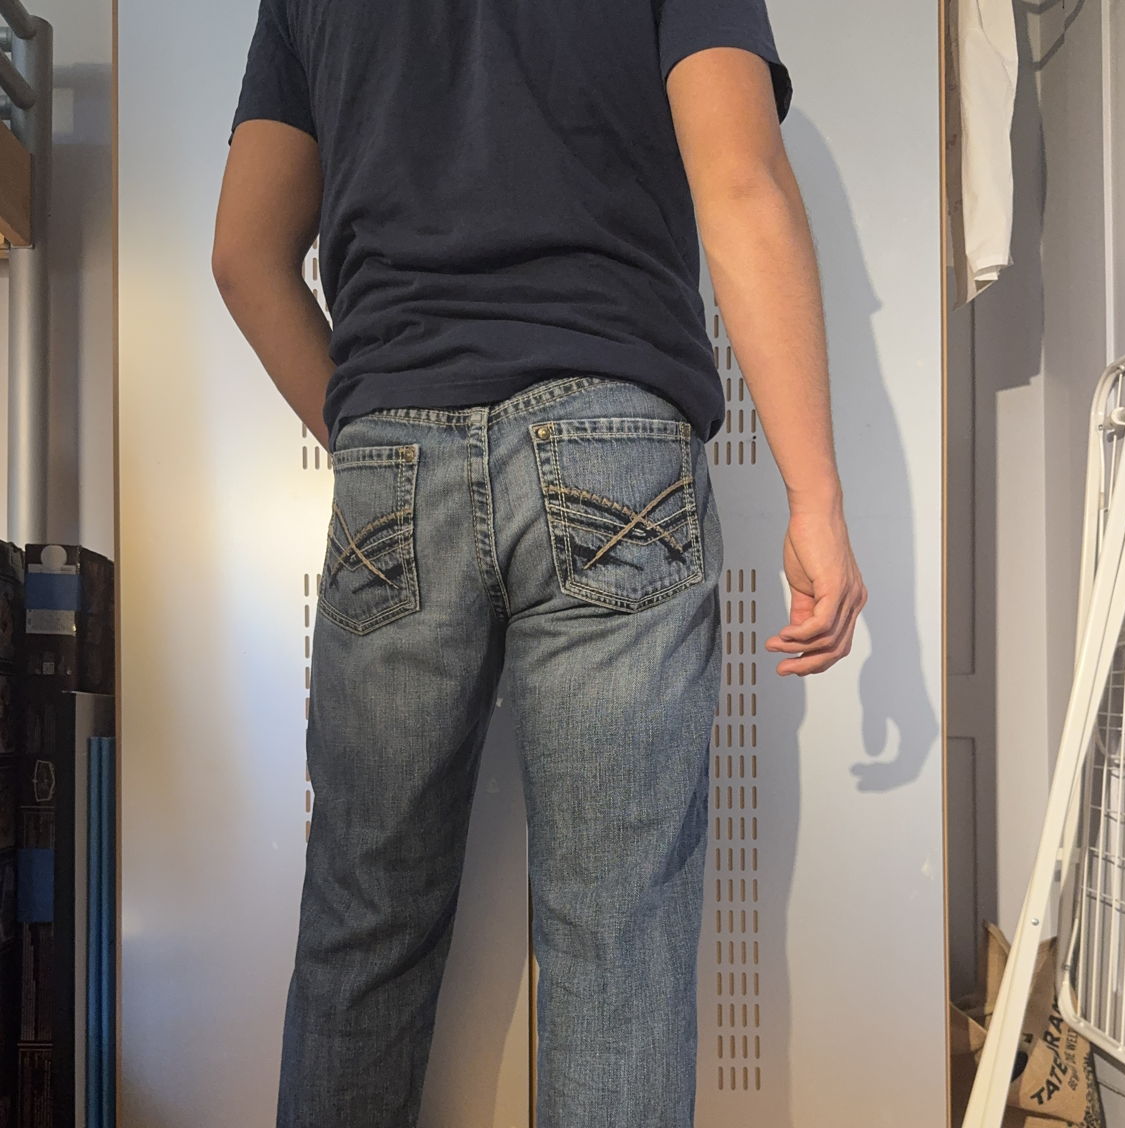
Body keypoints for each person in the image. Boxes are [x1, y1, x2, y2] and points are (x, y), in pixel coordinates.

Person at [212, 0, 867, 1124]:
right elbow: (742, 181)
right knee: (616, 939)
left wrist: (376, 441)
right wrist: (815, 496)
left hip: (395, 445)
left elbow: (242, 256)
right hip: (612, 439)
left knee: (361, 926)